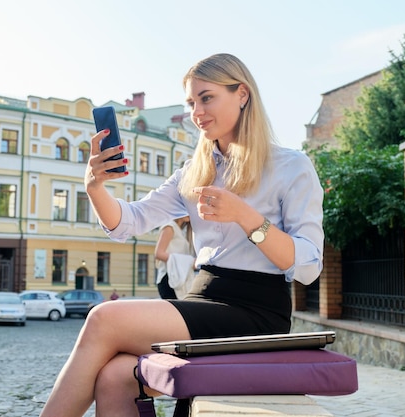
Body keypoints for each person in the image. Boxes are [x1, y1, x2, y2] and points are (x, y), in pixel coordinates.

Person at [39, 53, 324, 417]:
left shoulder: (291, 166)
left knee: (102, 319)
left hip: (256, 308)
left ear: (242, 94)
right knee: (113, 376)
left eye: (206, 98)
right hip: (203, 295)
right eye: (191, 102)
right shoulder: (193, 171)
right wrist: (94, 187)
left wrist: (246, 217)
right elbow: (130, 221)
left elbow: (308, 265)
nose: (197, 112)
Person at [154, 216, 195, 299]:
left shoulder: (181, 231)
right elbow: (158, 253)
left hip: (177, 278)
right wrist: (189, 261)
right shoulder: (169, 227)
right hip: (168, 278)